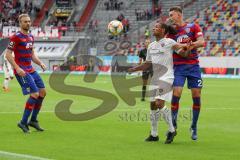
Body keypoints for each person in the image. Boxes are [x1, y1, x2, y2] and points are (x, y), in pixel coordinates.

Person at [128, 22, 190, 144]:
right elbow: (147, 64)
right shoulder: (151, 46)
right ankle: (154, 134)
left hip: (167, 77)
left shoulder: (169, 42)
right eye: (154, 27)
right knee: (152, 105)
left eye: (156, 27)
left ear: (163, 30)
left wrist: (187, 49)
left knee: (159, 102)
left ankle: (172, 130)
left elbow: (183, 52)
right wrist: (134, 69)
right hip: (155, 78)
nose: (154, 28)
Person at [168, 6, 205, 140]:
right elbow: (175, 48)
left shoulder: (193, 27)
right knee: (176, 93)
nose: (170, 17)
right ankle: (173, 124)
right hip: (179, 67)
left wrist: (191, 45)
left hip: (194, 67)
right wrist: (184, 47)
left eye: (172, 14)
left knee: (196, 95)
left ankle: (194, 126)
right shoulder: (171, 32)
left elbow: (202, 42)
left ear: (179, 15)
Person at [5, 14, 47, 133]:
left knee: (43, 92)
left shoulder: (31, 37)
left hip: (30, 69)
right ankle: (23, 122)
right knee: (34, 94)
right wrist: (17, 68)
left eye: (29, 21)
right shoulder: (15, 37)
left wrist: (40, 63)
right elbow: (8, 54)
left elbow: (32, 55)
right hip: (22, 71)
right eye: (25, 22)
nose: (28, 23)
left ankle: (33, 120)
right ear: (20, 23)